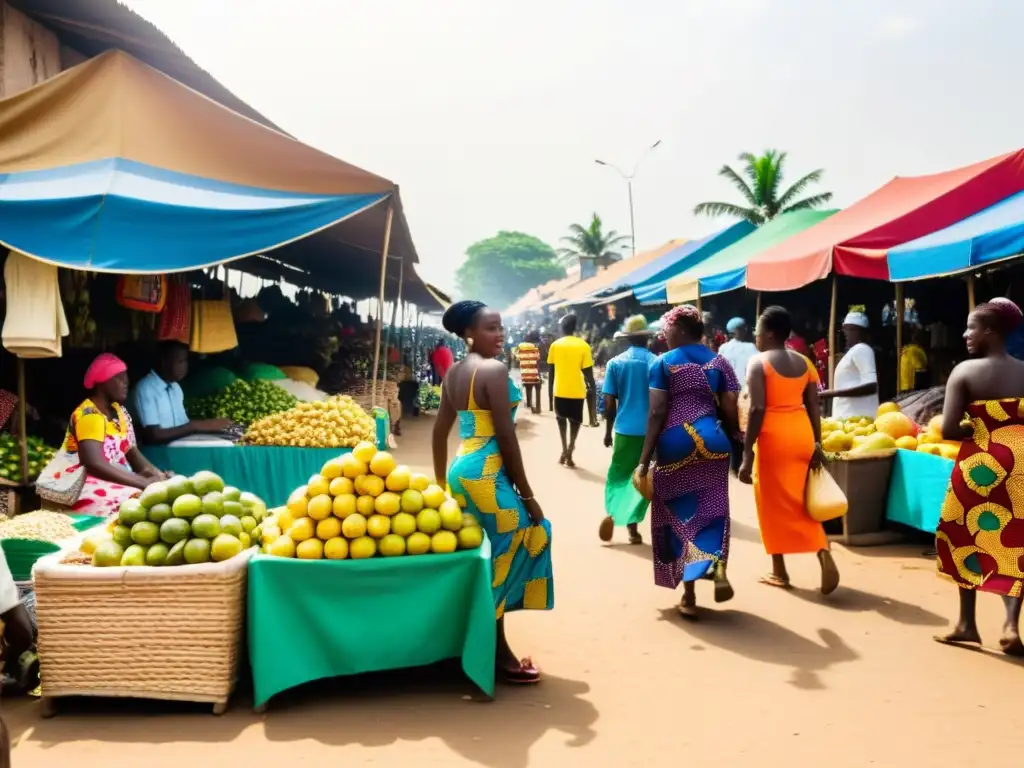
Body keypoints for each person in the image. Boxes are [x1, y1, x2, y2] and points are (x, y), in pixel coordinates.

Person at [432, 301, 554, 684]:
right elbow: (505, 437)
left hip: (462, 469)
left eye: (500, 327)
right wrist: (529, 496)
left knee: (490, 554)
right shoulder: (494, 370)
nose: (499, 334)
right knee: (523, 535)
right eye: (490, 328)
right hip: (486, 472)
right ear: (469, 333)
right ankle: (495, 650)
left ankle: (480, 638)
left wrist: (441, 485)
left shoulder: (454, 372)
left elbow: (439, 433)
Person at [637, 305, 741, 618]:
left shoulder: (663, 363)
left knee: (676, 513)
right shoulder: (719, 361)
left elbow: (656, 412)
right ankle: (716, 564)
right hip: (713, 440)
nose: (663, 336)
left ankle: (689, 595)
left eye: (666, 331)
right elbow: (732, 405)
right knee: (713, 508)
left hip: (677, 441)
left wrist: (644, 460)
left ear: (680, 330)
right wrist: (735, 441)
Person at [934, 298, 1024, 656]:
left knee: (964, 536)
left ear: (990, 331)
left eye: (971, 327)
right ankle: (1011, 625)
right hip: (1020, 461)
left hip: (980, 464)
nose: (965, 334)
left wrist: (982, 427)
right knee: (1016, 539)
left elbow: (948, 429)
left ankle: (967, 624)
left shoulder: (965, 372)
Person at [738, 306, 840, 593]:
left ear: (769, 334)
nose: (755, 337)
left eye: (757, 332)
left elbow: (757, 408)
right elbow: (814, 406)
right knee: (801, 499)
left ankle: (779, 571)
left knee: (770, 504)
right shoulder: (805, 362)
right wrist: (817, 443)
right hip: (801, 434)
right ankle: (821, 549)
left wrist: (747, 454)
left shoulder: (758, 363)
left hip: (774, 438)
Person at [51, 353, 167, 517]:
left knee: (158, 494)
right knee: (133, 503)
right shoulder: (89, 415)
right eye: (119, 379)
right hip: (83, 483)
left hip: (118, 479)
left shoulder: (121, 413)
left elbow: (132, 452)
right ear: (101, 383)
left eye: (126, 380)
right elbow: (94, 463)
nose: (125, 384)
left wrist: (157, 475)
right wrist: (142, 482)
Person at [600, 315, 656, 545]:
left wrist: (607, 431)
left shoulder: (616, 363)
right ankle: (633, 528)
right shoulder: (657, 363)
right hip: (650, 432)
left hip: (624, 430)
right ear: (646, 339)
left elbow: (609, 402)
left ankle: (613, 512)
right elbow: (663, 402)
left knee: (618, 474)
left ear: (628, 339)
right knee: (643, 477)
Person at [129, 342, 232, 444]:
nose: (184, 366)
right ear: (164, 362)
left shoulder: (176, 388)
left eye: (186, 361)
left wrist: (211, 426)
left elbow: (182, 425)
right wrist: (195, 426)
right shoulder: (145, 388)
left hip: (180, 448)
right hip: (158, 454)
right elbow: (153, 435)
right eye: (180, 361)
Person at [546, 314, 596, 467]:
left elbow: (551, 373)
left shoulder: (555, 345)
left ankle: (564, 450)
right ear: (575, 328)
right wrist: (593, 399)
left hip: (559, 391)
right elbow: (589, 375)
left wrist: (549, 396)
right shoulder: (584, 346)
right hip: (577, 392)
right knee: (575, 423)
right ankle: (570, 450)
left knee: (561, 423)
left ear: (562, 327)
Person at [820, 311, 878, 419]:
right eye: (845, 328)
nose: (846, 332)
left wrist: (832, 393)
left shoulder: (863, 349)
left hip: (859, 422)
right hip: (850, 421)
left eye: (851, 329)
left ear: (862, 332)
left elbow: (871, 386)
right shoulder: (854, 351)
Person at [718, 317, 759, 388]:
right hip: (737, 389)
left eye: (745, 328)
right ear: (733, 331)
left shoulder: (723, 348)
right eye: (742, 328)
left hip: (737, 389)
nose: (745, 330)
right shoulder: (723, 348)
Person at [515, 330, 543, 414]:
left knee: (528, 387)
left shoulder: (520, 348)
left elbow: (517, 359)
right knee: (538, 387)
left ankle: (529, 404)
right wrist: (539, 375)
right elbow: (537, 362)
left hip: (525, 374)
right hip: (534, 373)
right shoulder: (535, 349)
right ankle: (538, 407)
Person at [899, 327, 929, 392]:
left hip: (908, 385)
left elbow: (921, 366)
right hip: (910, 384)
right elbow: (923, 364)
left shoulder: (909, 350)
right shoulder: (913, 349)